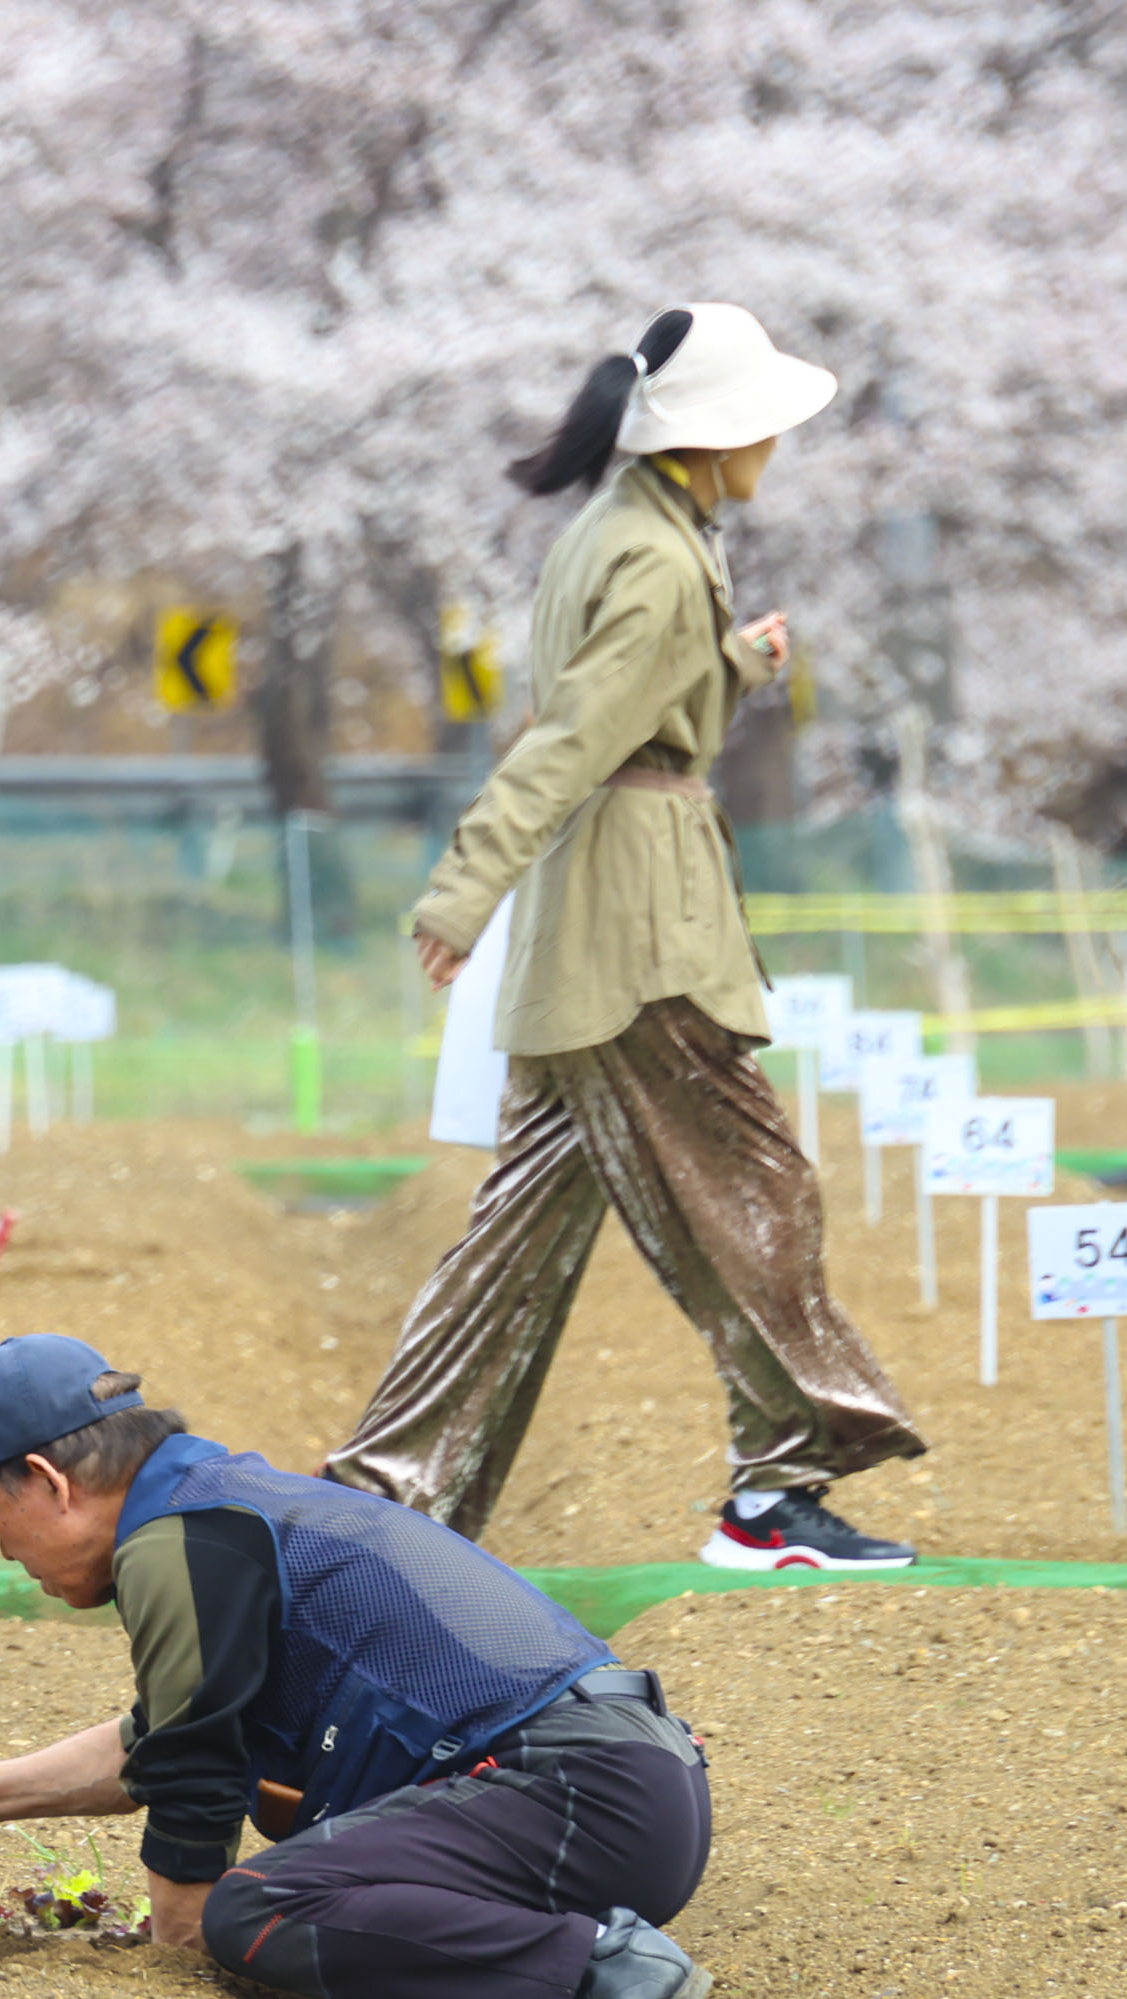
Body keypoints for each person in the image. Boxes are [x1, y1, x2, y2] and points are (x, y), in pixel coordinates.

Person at [327, 302, 925, 1572]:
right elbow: (575, 738)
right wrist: (461, 886)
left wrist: (735, 667)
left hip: (588, 933)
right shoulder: (659, 559)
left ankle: (382, 1505)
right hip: (640, 933)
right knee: (759, 1191)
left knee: (517, 1240)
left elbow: (630, 706)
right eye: (761, 418)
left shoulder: (625, 531)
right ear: (714, 439)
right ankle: (774, 1495)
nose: (776, 438)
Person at [0, 1335, 715, 1999]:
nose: (4, 1552)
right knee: (274, 1873)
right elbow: (158, 1739)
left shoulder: (179, 1540)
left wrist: (182, 1939)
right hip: (620, 1786)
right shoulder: (214, 1506)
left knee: (253, 1906)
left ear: (47, 1482)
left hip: (578, 1796)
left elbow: (192, 1765)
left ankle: (605, 1980)